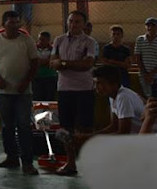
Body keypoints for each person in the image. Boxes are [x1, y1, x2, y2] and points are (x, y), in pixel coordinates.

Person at [58, 65, 147, 175]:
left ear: (114, 83)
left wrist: (90, 139)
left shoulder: (123, 97)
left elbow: (123, 133)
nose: (97, 87)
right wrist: (87, 136)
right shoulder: (114, 95)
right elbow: (114, 126)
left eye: (101, 83)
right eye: (96, 83)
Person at [0, 10, 39, 175]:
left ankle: (27, 162)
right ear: (3, 24)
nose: (15, 25)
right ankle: (11, 157)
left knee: (24, 126)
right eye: (11, 22)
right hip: (3, 92)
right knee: (7, 126)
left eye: (17, 22)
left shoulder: (27, 40)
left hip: (23, 92)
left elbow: (35, 63)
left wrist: (26, 82)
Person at [49, 10, 97, 175]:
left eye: (77, 22)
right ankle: (70, 163)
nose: (73, 24)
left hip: (84, 90)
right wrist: (71, 63)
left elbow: (87, 64)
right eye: (71, 21)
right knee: (66, 128)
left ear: (84, 24)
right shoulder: (59, 40)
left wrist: (63, 63)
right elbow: (52, 63)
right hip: (64, 89)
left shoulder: (89, 42)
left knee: (84, 128)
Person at [134, 17, 157, 98]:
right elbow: (138, 57)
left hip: (155, 75)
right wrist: (145, 74)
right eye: (148, 25)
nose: (150, 28)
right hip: (144, 75)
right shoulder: (140, 40)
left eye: (153, 26)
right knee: (148, 97)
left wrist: (151, 73)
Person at [32, 31, 57, 101]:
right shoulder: (33, 49)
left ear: (48, 40)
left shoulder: (53, 49)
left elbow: (52, 62)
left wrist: (40, 62)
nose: (40, 42)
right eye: (39, 39)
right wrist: (47, 61)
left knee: (50, 99)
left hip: (50, 77)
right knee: (37, 99)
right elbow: (33, 61)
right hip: (36, 77)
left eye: (43, 40)